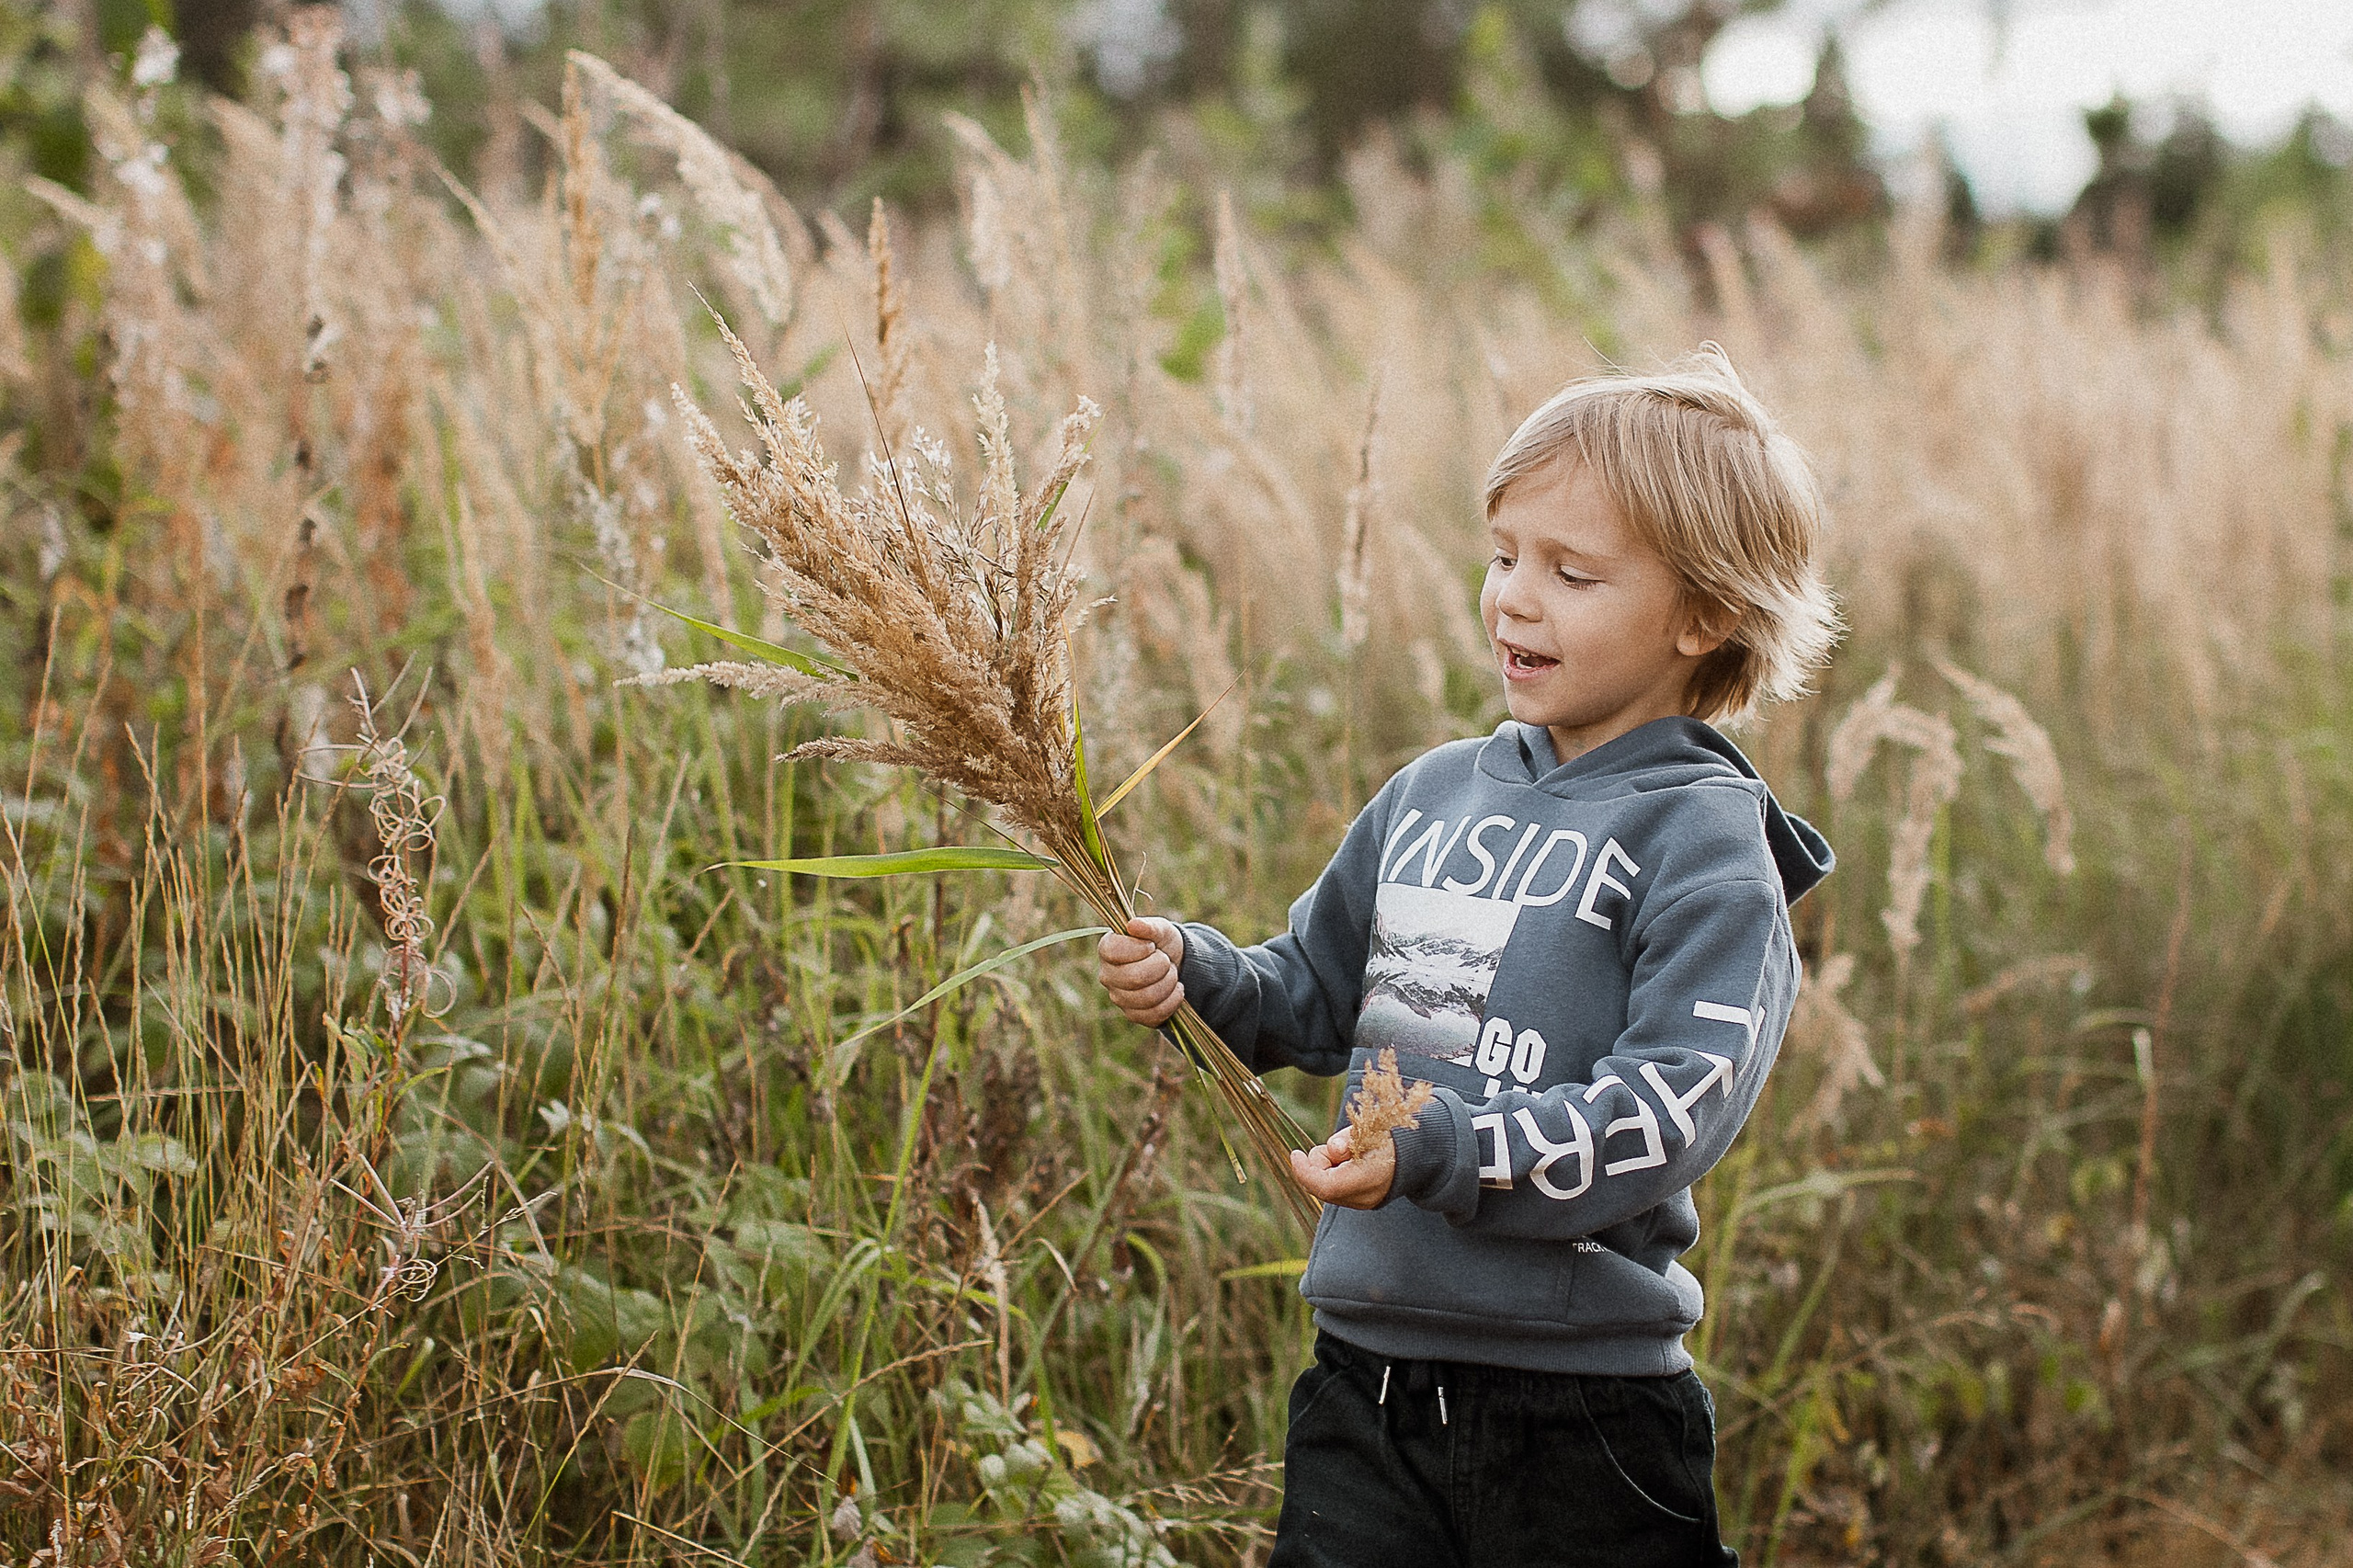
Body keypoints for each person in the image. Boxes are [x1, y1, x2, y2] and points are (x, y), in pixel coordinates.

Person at [1097, 345, 1839, 1568]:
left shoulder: (1703, 842)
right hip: (1368, 1382)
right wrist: (1200, 975)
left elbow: (1666, 1110)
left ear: (1704, 614)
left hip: (1584, 1412)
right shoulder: (1436, 797)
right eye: (1503, 556)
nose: (1514, 599)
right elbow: (1316, 993)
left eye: (1572, 572)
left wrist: (1444, 1148)